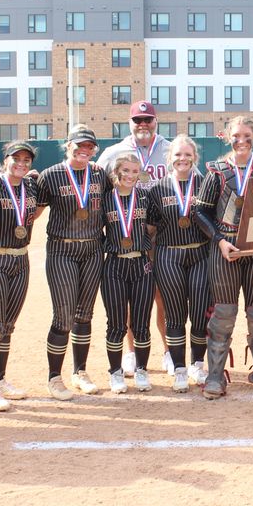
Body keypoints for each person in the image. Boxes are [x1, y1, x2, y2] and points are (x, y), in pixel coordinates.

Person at [194, 115, 253, 399]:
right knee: (224, 314)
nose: (241, 140)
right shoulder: (217, 171)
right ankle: (216, 375)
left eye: (246, 135)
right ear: (225, 136)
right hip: (226, 247)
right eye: (236, 135)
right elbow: (200, 211)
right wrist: (219, 241)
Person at [98, 100, 173, 376]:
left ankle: (168, 351)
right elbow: (91, 181)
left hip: (163, 235)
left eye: (148, 120)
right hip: (127, 236)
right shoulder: (114, 152)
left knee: (163, 296)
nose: (143, 125)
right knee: (131, 298)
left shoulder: (169, 149)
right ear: (130, 123)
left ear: (156, 122)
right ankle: (130, 352)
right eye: (137, 120)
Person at [35, 125, 108, 399]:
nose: (84, 150)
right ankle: (54, 377)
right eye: (79, 145)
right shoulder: (50, 175)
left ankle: (80, 371)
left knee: (84, 315)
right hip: (62, 249)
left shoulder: (100, 175)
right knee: (64, 315)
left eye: (90, 146)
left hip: (92, 249)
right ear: (67, 145)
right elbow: (34, 214)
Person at [0, 141, 41, 410]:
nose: (22, 164)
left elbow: (33, 210)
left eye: (27, 160)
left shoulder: (31, 186)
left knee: (8, 326)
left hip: (19, 258)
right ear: (5, 161)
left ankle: (0, 380)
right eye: (17, 159)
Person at [146, 134, 210, 391]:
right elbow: (149, 229)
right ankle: (179, 368)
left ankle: (197, 364)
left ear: (194, 157)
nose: (182, 159)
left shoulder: (207, 184)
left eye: (187, 154)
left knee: (199, 314)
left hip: (200, 256)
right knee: (174, 314)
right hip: (168, 255)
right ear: (169, 158)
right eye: (177, 155)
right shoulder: (157, 188)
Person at [101, 153, 156, 393]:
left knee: (141, 323)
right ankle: (115, 372)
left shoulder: (145, 197)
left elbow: (153, 228)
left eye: (135, 171)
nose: (131, 176)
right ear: (116, 172)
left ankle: (142, 370)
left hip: (142, 265)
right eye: (126, 171)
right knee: (116, 324)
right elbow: (95, 229)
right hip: (114, 265)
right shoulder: (105, 199)